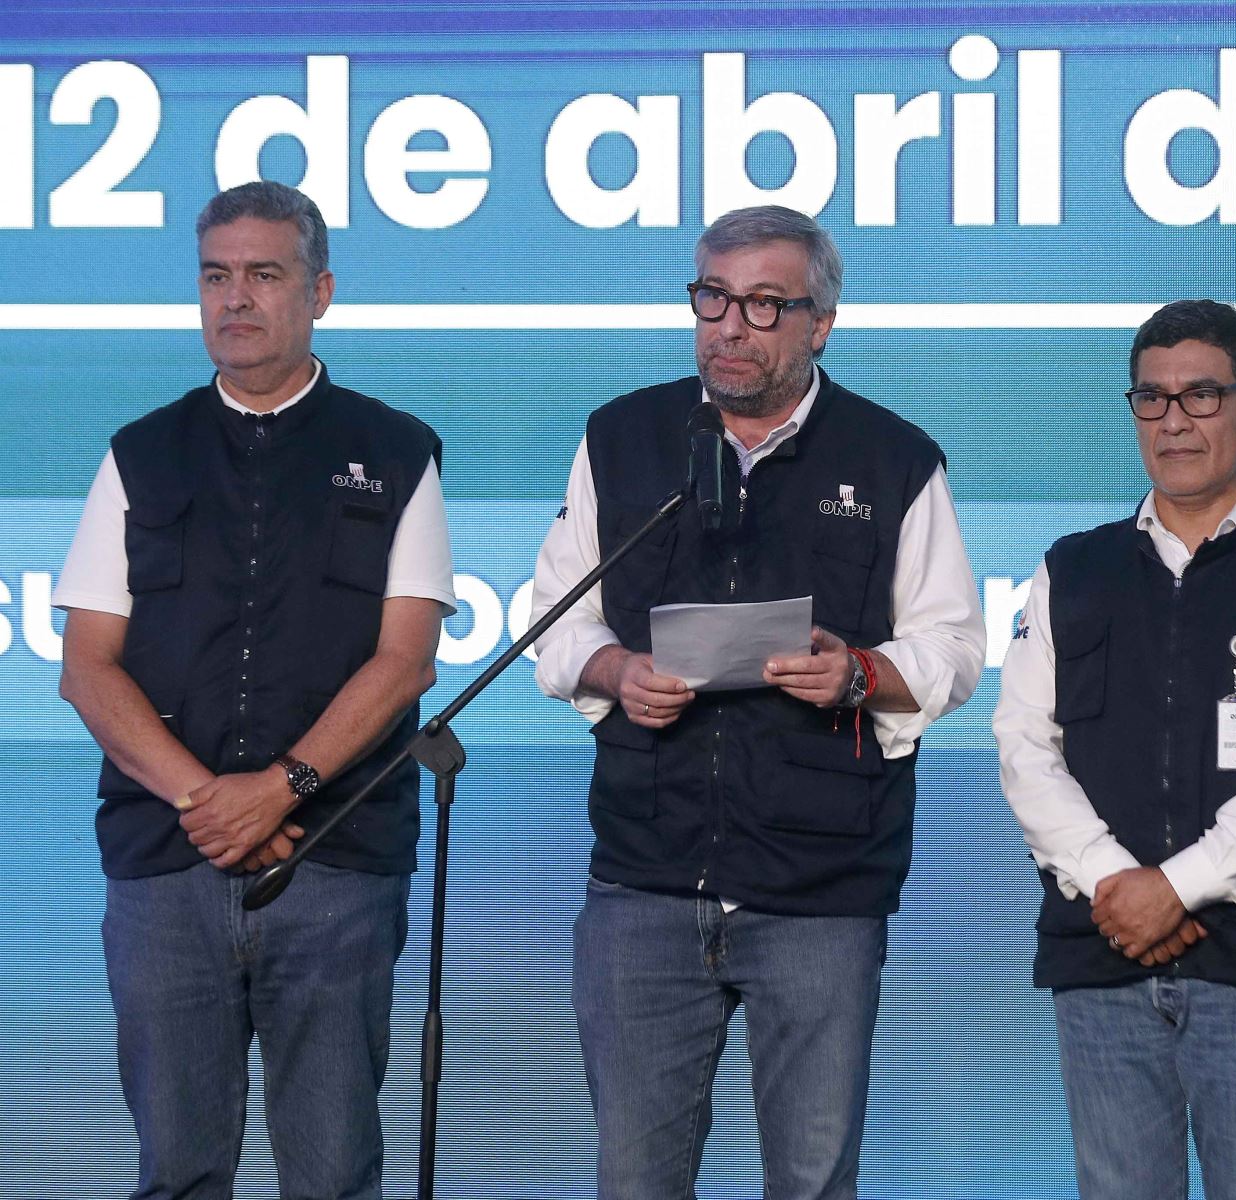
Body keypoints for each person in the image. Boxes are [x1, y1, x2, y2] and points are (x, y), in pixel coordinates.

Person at [530, 204, 984, 1200]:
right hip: (644, 880)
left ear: (820, 322)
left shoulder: (894, 460)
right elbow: (557, 627)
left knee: (813, 1183)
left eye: (764, 305)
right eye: (712, 298)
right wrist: (619, 674)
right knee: (634, 1181)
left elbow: (953, 651)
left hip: (819, 892)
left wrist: (858, 674)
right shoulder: (623, 439)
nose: (729, 327)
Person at [54, 180, 454, 1199]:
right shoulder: (140, 454)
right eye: (216, 276)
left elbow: (406, 660)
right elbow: (86, 668)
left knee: (331, 1175)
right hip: (165, 871)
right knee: (178, 1171)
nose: (235, 299)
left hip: (337, 870)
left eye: (264, 275)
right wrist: (207, 802)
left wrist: (279, 789)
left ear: (320, 291)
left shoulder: (398, 451)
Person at [993, 299, 1236, 1199]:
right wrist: (1116, 884)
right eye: (1151, 399)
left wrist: (1177, 887)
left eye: (1202, 396)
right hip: (1102, 951)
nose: (1173, 421)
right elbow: (1022, 744)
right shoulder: (1072, 568)